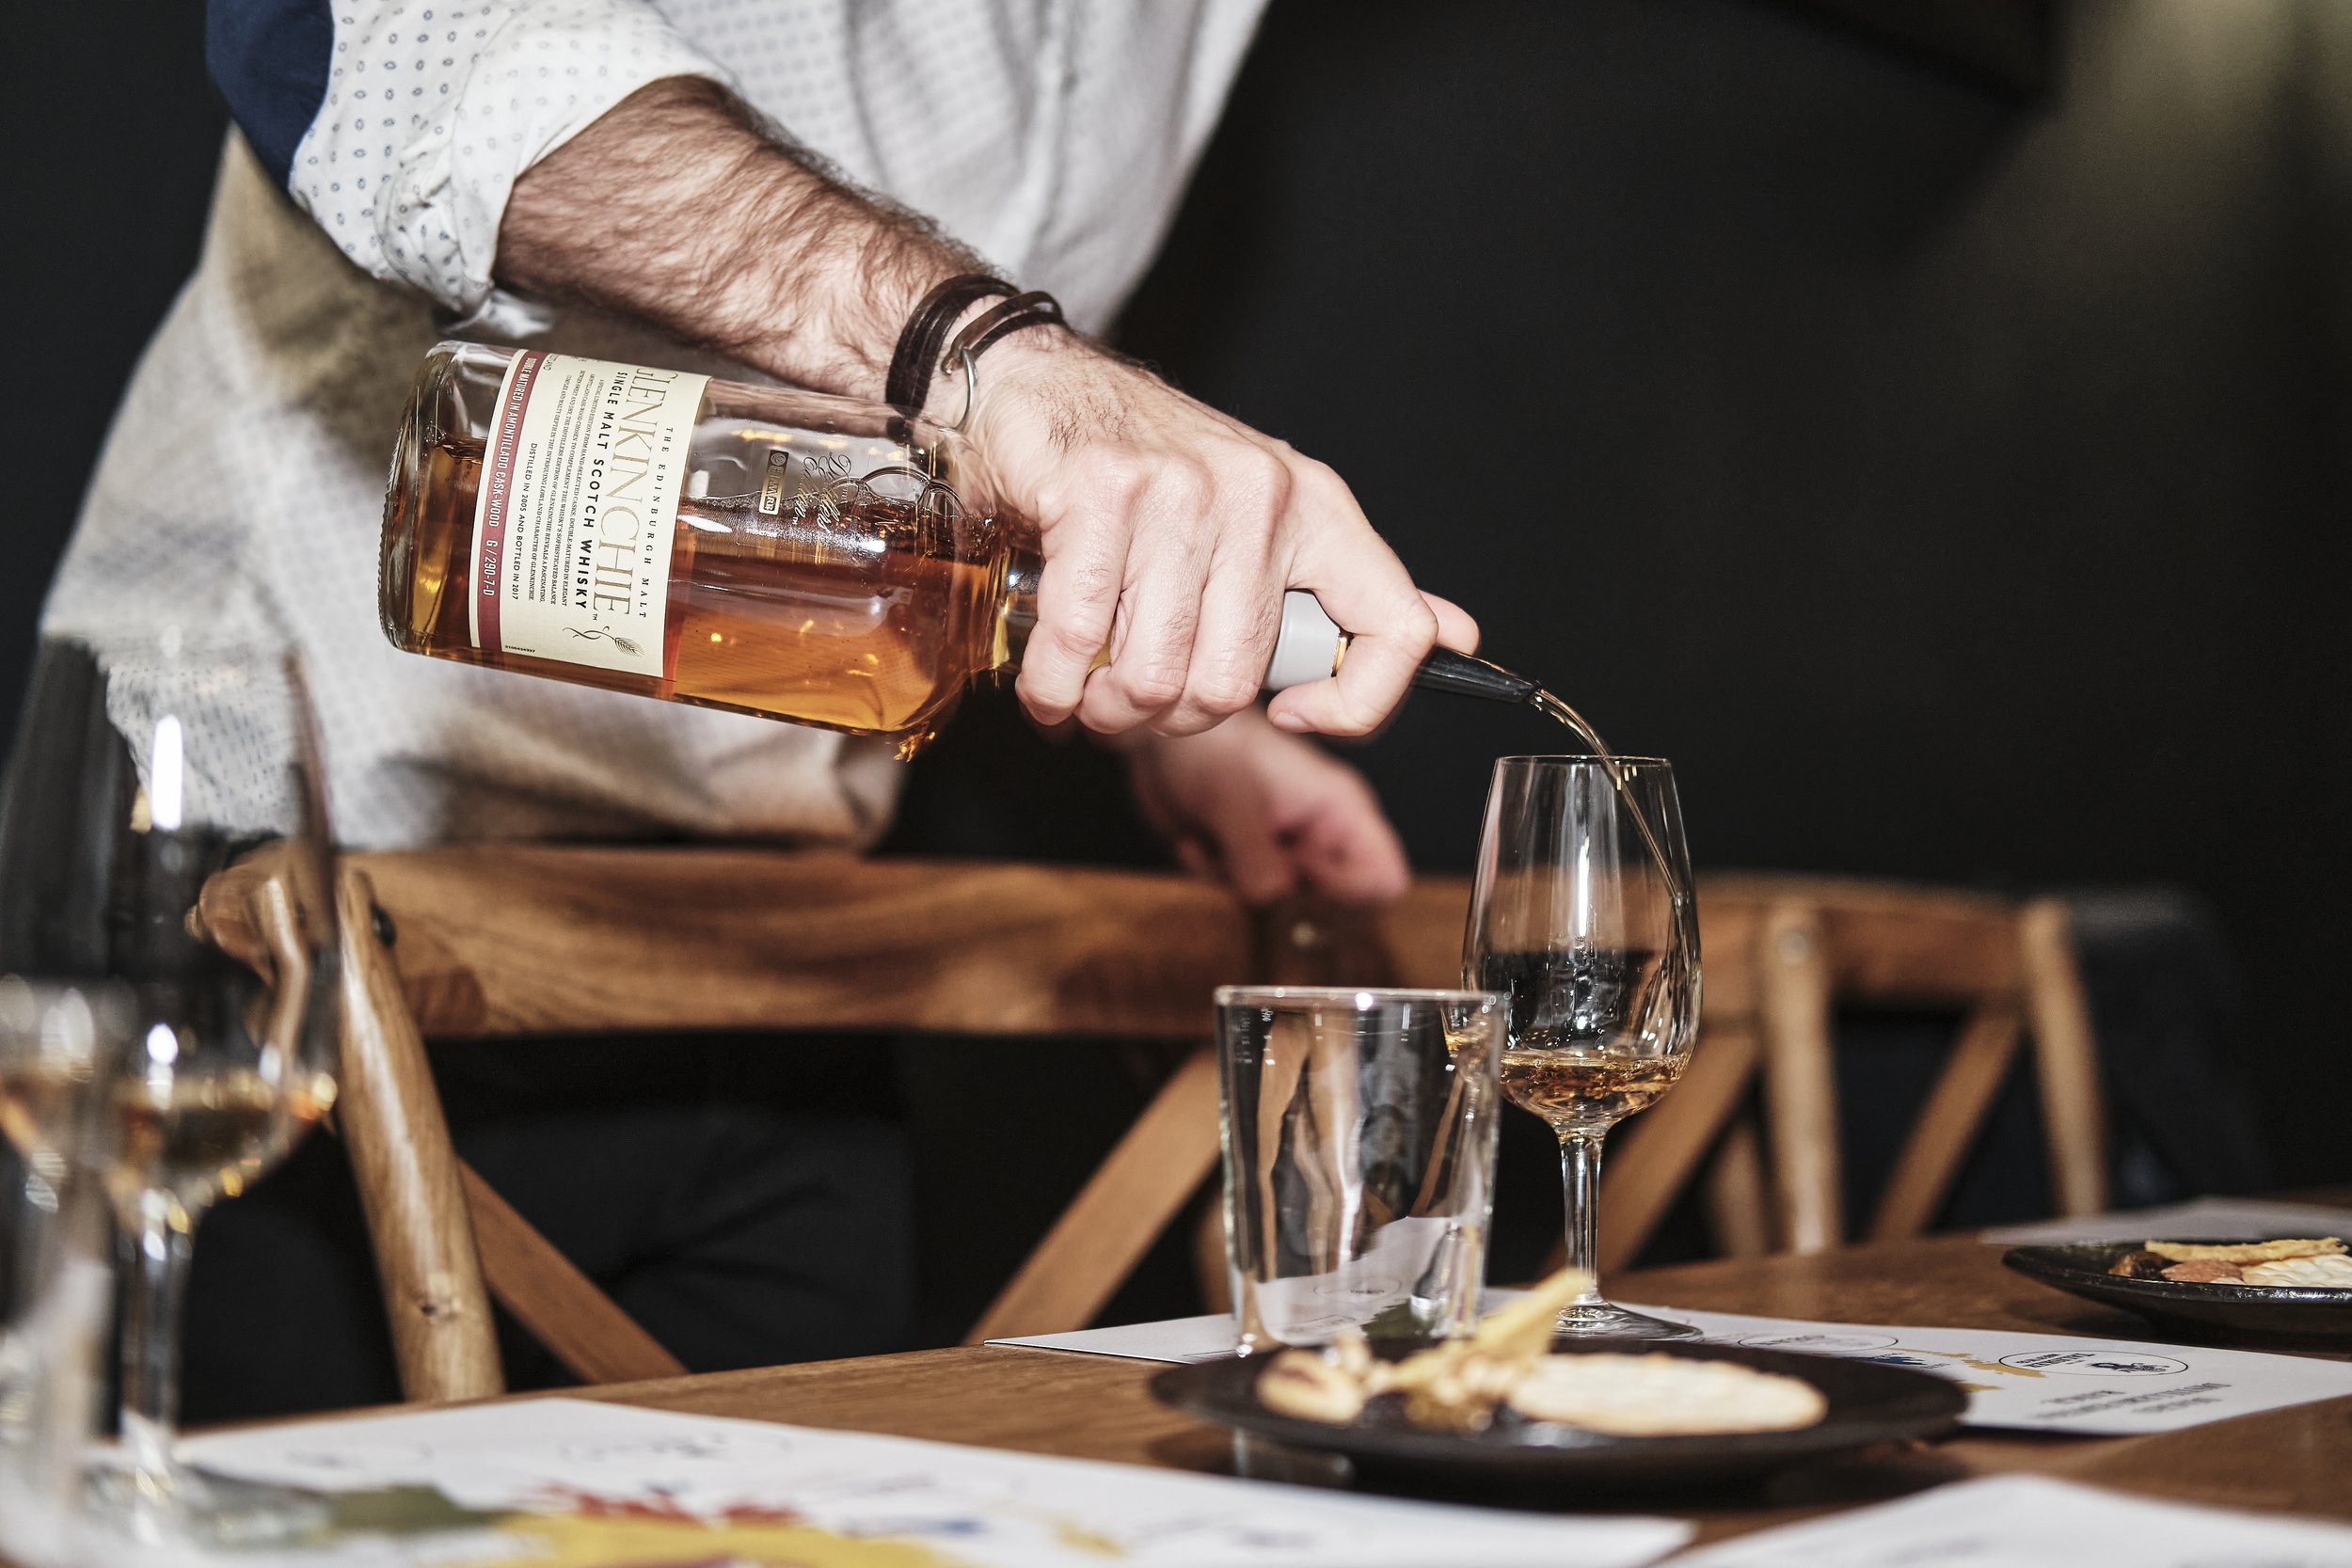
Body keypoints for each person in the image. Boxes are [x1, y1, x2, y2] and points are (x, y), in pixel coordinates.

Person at [43, 1, 1474, 1414]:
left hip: (773, 944)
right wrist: (982, 350)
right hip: (282, 901)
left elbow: (947, 493)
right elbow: (355, 45)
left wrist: (1186, 713)